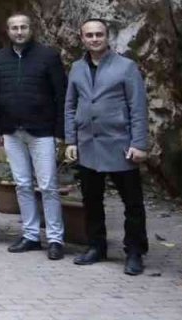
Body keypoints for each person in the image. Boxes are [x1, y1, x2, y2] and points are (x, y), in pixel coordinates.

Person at [64, 18, 150, 276]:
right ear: (82, 38)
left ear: (107, 36)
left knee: (132, 202)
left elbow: (138, 107)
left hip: (120, 145)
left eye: (98, 34)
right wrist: (71, 140)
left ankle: (134, 251)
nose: (94, 39)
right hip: (88, 145)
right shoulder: (77, 68)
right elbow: (70, 106)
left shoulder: (126, 67)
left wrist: (139, 143)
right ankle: (96, 246)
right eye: (89, 35)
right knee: (91, 200)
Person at [0, 12, 67, 260]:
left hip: (42, 131)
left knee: (48, 186)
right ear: (8, 31)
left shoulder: (48, 56)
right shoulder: (0, 58)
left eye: (23, 27)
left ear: (31, 29)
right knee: (22, 184)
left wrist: (59, 132)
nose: (19, 32)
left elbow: (61, 96)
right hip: (12, 131)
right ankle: (31, 235)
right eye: (14, 28)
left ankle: (55, 238)